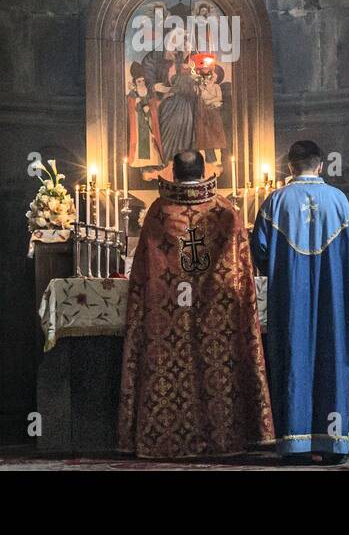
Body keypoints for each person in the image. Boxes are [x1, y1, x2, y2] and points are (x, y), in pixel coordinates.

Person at [117, 150, 273, 458]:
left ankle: (166, 439)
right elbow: (242, 273)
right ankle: (226, 438)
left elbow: (141, 276)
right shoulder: (225, 211)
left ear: (173, 173)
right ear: (204, 171)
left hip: (167, 313)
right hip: (219, 317)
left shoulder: (159, 212)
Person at [251, 140, 349, 465]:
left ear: (289, 167)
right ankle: (333, 445)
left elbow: (259, 248)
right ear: (322, 165)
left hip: (291, 298)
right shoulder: (340, 201)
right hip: (333, 300)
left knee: (293, 362)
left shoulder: (276, 200)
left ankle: (295, 445)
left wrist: (277, 266)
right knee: (331, 364)